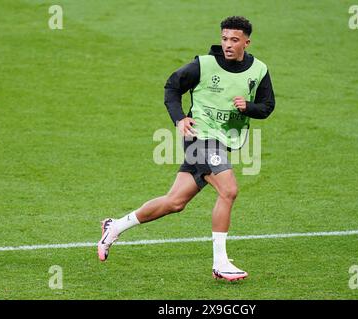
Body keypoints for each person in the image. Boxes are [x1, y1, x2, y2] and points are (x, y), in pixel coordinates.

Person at [98, 16, 275, 281]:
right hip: (199, 138)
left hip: (222, 142)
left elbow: (267, 106)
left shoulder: (258, 70)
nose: (227, 44)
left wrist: (248, 107)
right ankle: (220, 263)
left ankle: (115, 227)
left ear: (246, 43)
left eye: (234, 40)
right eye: (224, 38)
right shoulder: (202, 66)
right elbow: (172, 86)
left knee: (175, 202)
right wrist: (179, 118)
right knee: (229, 190)